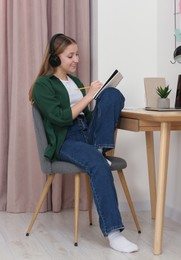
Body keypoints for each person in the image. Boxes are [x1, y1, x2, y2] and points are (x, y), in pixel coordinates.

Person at [29, 33, 138, 253]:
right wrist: (88, 97)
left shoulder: (76, 82)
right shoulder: (43, 85)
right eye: (70, 55)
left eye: (77, 54)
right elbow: (61, 118)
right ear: (54, 58)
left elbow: (87, 117)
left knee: (112, 94)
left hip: (87, 134)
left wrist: (98, 99)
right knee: (97, 164)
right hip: (66, 140)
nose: (76, 59)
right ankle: (114, 234)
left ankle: (98, 148)